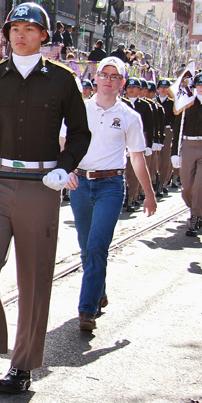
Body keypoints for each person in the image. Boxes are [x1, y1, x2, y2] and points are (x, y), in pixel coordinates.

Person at [0, 2, 90, 396]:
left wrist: (65, 166)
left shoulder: (63, 81)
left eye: (30, 29)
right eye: (15, 28)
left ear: (44, 37)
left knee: (33, 278)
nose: (20, 34)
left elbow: (80, 133)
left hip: (41, 184)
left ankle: (23, 364)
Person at [67, 56, 155, 332]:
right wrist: (65, 169)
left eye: (114, 76)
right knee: (86, 247)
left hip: (111, 186)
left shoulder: (130, 117)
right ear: (96, 78)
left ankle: (86, 309)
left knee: (97, 245)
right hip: (80, 183)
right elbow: (63, 143)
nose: (108, 80)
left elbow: (138, 159)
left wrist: (149, 194)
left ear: (123, 83)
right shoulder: (78, 110)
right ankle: (98, 290)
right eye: (104, 74)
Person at [171, 72, 202, 236]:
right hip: (188, 144)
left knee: (201, 184)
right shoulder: (187, 104)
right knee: (186, 187)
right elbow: (178, 128)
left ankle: (195, 217)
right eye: (199, 85)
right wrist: (174, 153)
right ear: (195, 87)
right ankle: (196, 207)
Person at [120, 78, 155, 212]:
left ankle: (131, 198)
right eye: (129, 87)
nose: (131, 89)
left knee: (135, 171)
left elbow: (150, 126)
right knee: (125, 169)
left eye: (134, 87)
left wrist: (150, 144)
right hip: (124, 138)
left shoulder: (146, 105)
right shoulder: (122, 103)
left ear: (140, 90)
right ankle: (124, 196)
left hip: (140, 138)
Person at [156, 78, 177, 196]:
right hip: (156, 129)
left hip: (168, 130)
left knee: (165, 158)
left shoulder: (172, 103)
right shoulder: (154, 102)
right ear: (158, 89)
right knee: (155, 159)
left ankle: (162, 182)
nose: (163, 89)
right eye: (161, 87)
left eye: (166, 87)